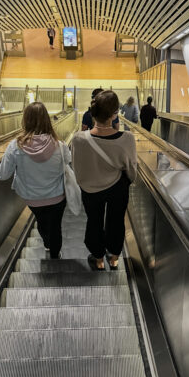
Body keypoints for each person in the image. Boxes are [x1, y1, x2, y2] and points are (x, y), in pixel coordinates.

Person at [0, 101, 69, 259]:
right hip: (57, 197)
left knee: (41, 222)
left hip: (32, 199)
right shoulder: (59, 145)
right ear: (47, 120)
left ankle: (47, 244)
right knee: (55, 227)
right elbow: (69, 161)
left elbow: (2, 174)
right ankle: (54, 253)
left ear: (25, 120)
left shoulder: (16, 146)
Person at [72, 90, 137, 271]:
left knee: (94, 221)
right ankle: (114, 258)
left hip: (90, 188)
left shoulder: (78, 139)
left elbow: (76, 167)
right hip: (117, 187)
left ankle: (99, 258)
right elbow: (132, 169)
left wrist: (86, 183)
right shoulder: (127, 139)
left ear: (93, 113)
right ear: (115, 113)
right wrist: (127, 179)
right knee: (116, 221)